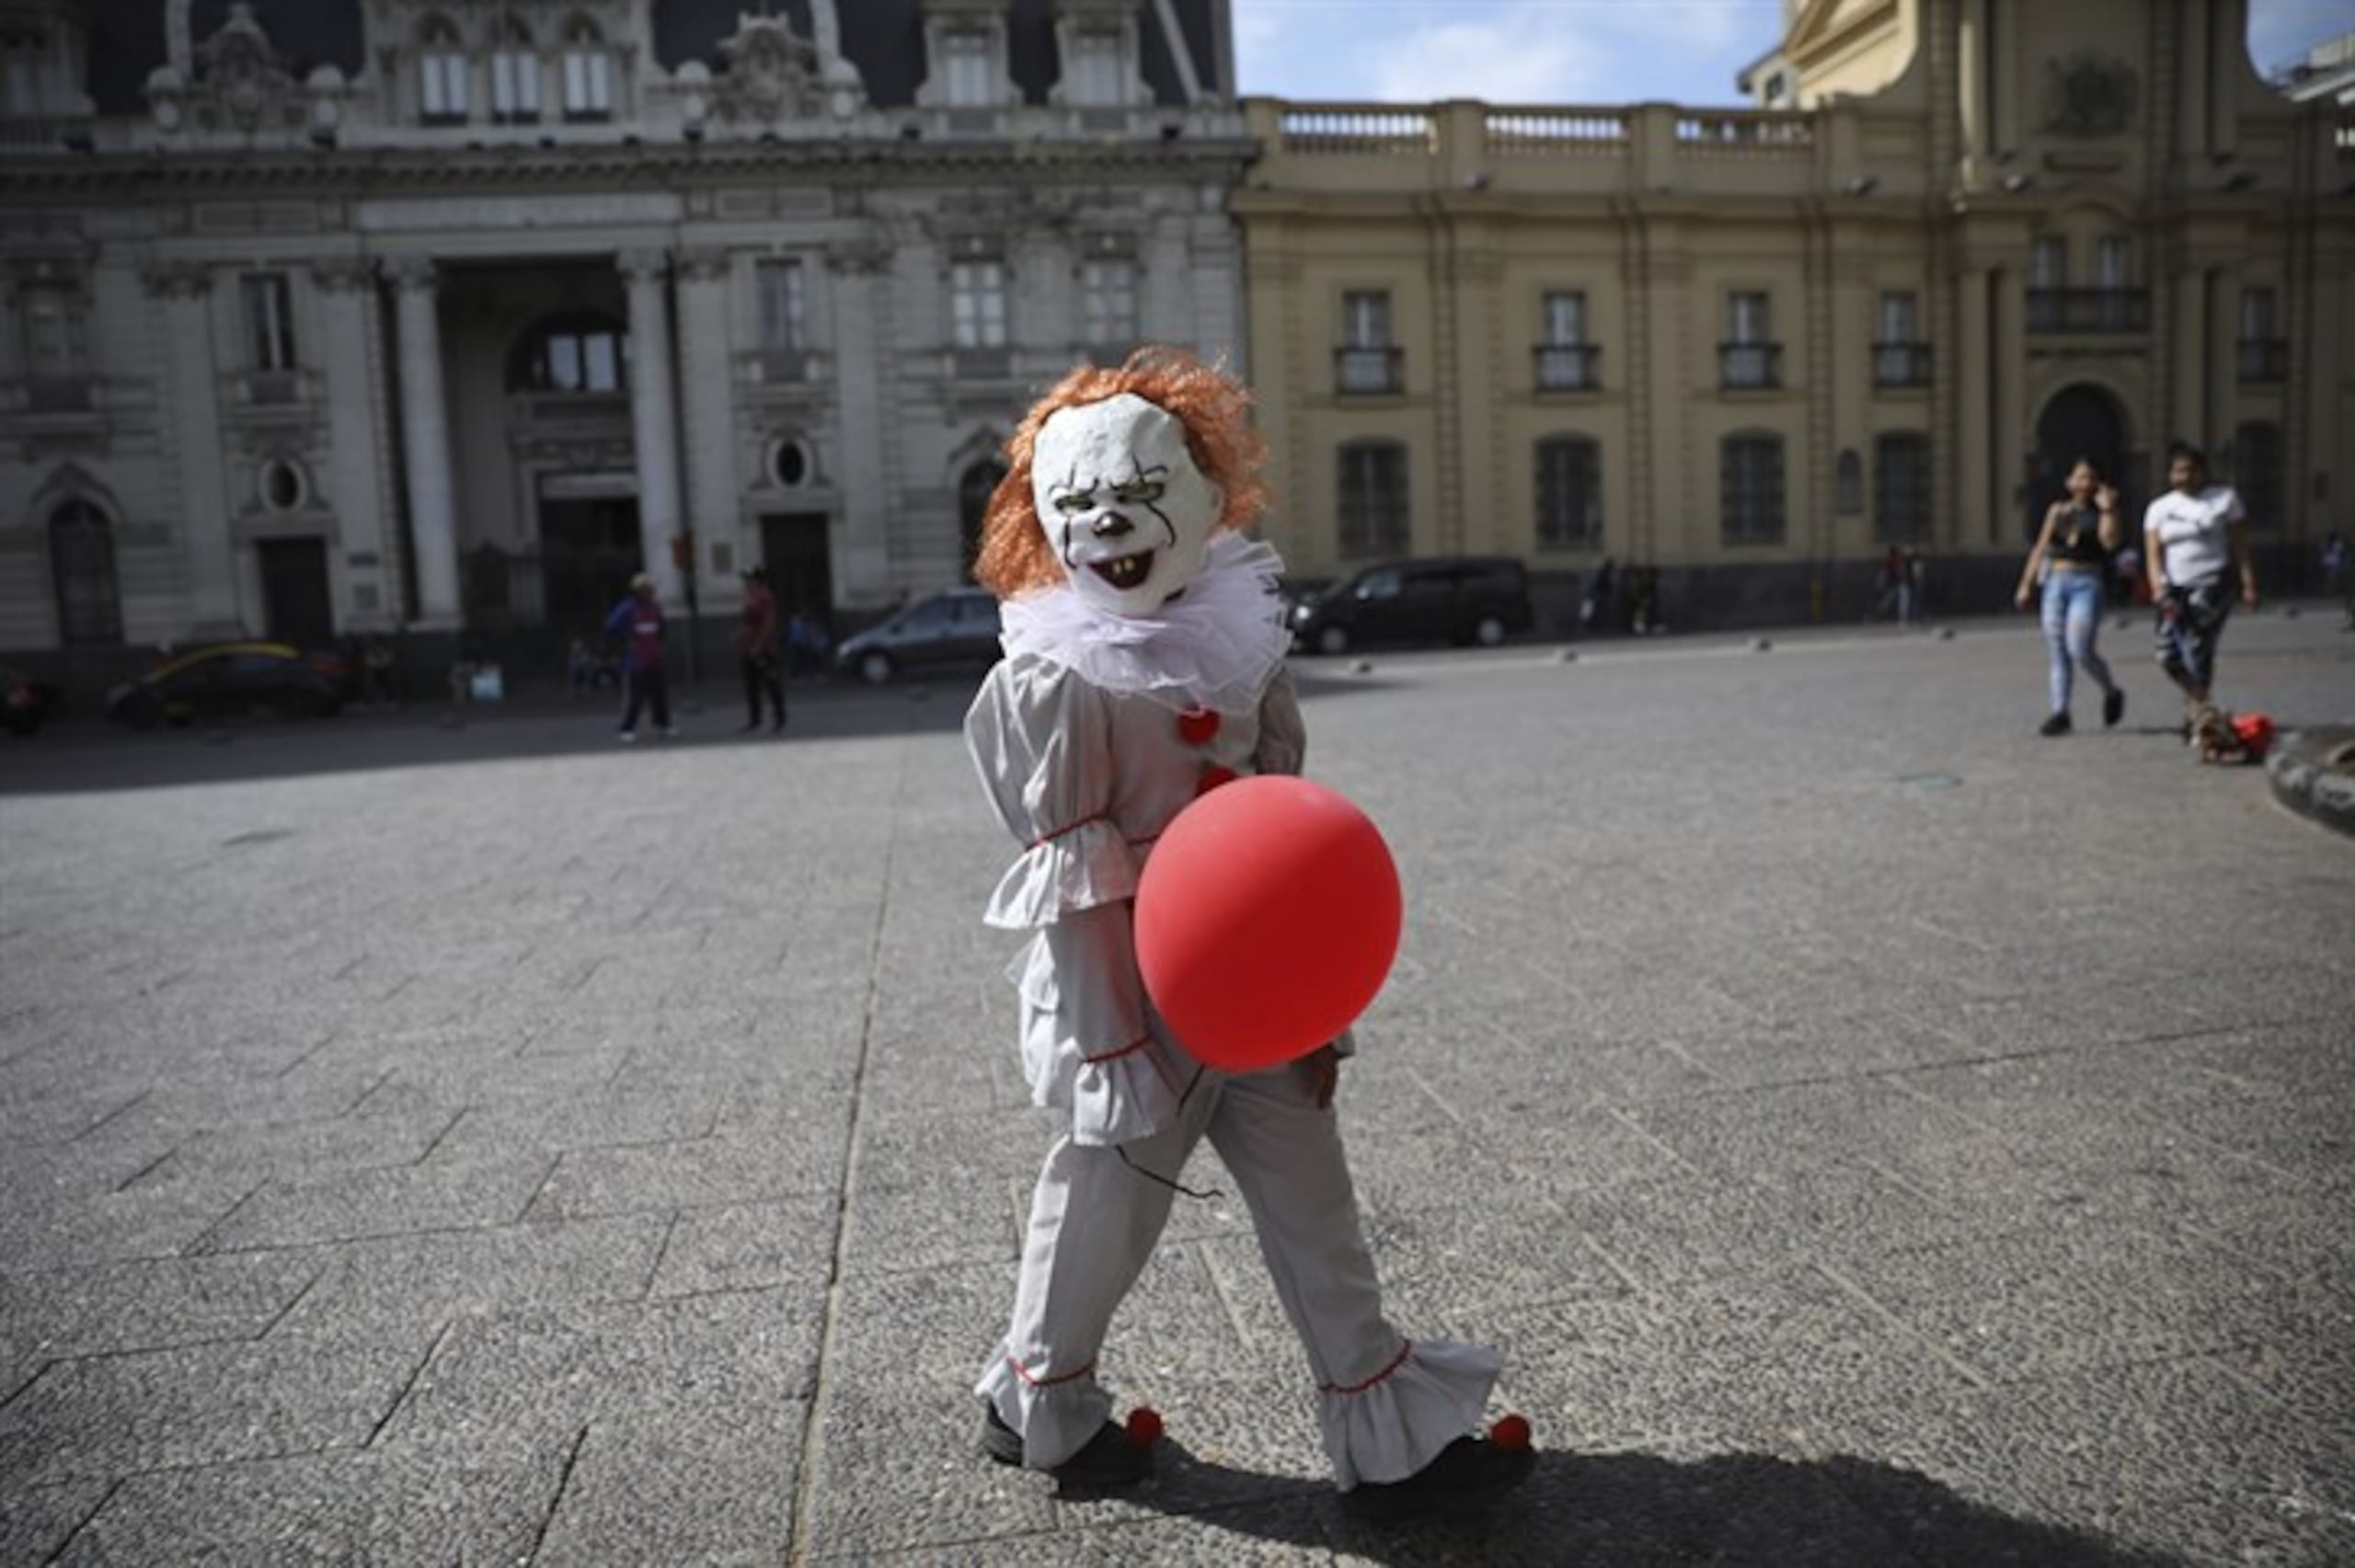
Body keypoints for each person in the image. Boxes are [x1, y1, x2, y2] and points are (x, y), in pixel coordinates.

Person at [962, 349, 1532, 1510]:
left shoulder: (1244, 639)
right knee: (1101, 1214)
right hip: (1129, 1001)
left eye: (1136, 490)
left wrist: (1318, 1013)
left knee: (1314, 1200)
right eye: (1073, 502)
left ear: (1206, 490)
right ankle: (1036, 1402)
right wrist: (1107, 1045)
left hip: (1257, 992)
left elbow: (1282, 828)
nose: (1107, 521)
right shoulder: (1059, 681)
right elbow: (1066, 880)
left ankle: (1394, 1443)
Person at [2143, 441, 2258, 734]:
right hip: (2174, 587)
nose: (2183, 476)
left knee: (2199, 648)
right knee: (2165, 653)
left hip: (2212, 583)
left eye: (2189, 470)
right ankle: (2201, 701)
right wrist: (2157, 587)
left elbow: (2240, 545)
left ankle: (2197, 715)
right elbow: (2153, 552)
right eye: (2177, 470)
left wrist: (2248, 581)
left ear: (2202, 471)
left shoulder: (2224, 500)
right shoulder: (2160, 508)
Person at [2016, 458, 2127, 736]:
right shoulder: (2057, 511)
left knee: (2079, 647)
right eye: (2079, 477)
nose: (2084, 483)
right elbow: (2041, 547)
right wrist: (2026, 583)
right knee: (2057, 650)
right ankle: (2060, 711)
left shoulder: (2104, 512)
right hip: (2056, 580)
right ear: (2069, 482)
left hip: (2087, 582)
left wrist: (2108, 509)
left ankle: (2111, 691)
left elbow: (2110, 542)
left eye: (2090, 478)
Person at [603, 572, 675, 741]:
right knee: (635, 697)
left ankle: (662, 725)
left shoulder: (654, 607)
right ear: (638, 590)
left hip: (654, 658)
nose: (649, 592)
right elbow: (611, 626)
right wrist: (626, 640)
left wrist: (658, 643)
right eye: (646, 589)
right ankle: (626, 728)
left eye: (650, 589)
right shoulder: (627, 607)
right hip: (636, 661)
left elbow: (662, 627)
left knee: (659, 695)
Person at [736, 566, 787, 733]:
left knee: (771, 683)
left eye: (748, 580)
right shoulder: (750, 597)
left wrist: (759, 645)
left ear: (756, 581)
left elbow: (768, 623)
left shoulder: (764, 597)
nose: (745, 583)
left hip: (764, 650)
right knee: (751, 687)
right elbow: (747, 622)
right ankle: (755, 719)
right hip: (748, 648)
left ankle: (779, 719)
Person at [1579, 556, 1615, 635]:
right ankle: (1590, 625)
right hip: (1598, 594)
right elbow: (1603, 583)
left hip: (1598, 594)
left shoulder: (1605, 572)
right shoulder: (1605, 572)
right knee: (1594, 610)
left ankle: (1592, 625)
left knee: (1595, 610)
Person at [2324, 530, 2350, 629]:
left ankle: (2332, 592)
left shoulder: (2337, 545)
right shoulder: (2335, 545)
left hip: (2339, 568)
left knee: (2347, 594)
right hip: (2337, 567)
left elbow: (2339, 555)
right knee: (2346, 594)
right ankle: (2332, 592)